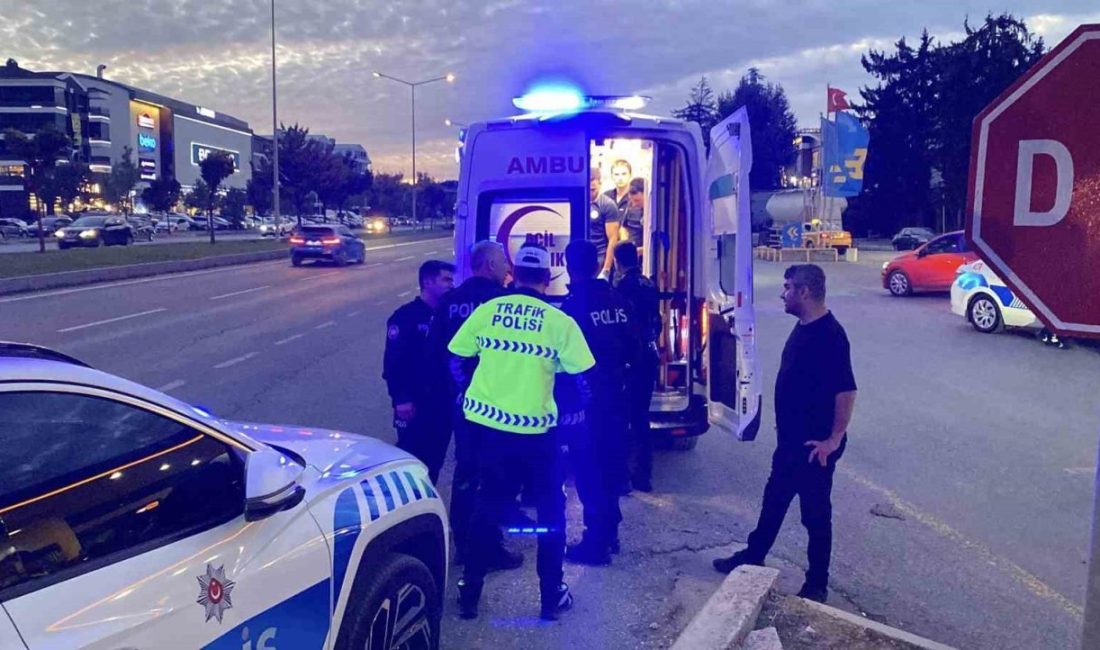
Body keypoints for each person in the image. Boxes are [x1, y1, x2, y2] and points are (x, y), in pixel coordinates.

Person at [449, 243, 596, 621]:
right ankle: (551, 597)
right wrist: (574, 416)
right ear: (547, 279)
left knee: (487, 509)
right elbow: (583, 383)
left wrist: (468, 395)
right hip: (537, 437)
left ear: (513, 275)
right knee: (551, 514)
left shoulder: (488, 311)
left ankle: (470, 592)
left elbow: (456, 358)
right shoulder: (558, 322)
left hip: (489, 433)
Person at [712, 264, 857, 604]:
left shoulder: (830, 336)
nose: (782, 293)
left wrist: (833, 440)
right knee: (774, 500)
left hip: (813, 447)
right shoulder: (805, 327)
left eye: (788, 287)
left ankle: (817, 583)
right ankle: (754, 553)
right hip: (792, 442)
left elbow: (847, 391)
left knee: (815, 514)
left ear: (804, 292)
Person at [425, 240, 521, 571]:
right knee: (496, 474)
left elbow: (435, 353)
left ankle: (463, 544)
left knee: (466, 472)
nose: (508, 268)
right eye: (504, 262)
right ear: (490, 265)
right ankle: (489, 547)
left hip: (462, 404)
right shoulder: (504, 302)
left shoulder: (450, 301)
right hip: (500, 405)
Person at [560, 240, 640, 565]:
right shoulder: (619, 300)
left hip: (587, 403)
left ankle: (596, 544)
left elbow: (563, 364)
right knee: (610, 467)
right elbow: (638, 350)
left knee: (590, 473)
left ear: (568, 267)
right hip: (616, 398)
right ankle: (612, 533)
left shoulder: (571, 308)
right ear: (595, 266)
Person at [382, 259, 455, 483]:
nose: (451, 285)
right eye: (446, 279)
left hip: (442, 402)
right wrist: (401, 398)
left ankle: (424, 503)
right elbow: (394, 363)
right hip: (414, 403)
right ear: (427, 282)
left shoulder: (449, 316)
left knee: (434, 460)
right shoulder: (406, 317)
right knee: (411, 458)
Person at [614, 241, 661, 492]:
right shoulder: (649, 283)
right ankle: (644, 476)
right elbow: (657, 321)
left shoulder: (622, 287)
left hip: (631, 358)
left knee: (622, 418)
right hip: (650, 354)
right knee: (641, 417)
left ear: (618, 262)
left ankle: (622, 477)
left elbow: (623, 326)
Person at [590, 167, 621, 279]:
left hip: (599, 257)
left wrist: (606, 269)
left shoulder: (608, 205)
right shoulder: (579, 202)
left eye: (593, 190)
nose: (590, 193)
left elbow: (613, 239)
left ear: (600, 184)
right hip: (582, 257)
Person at [621, 177, 646, 255]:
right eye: (631, 200)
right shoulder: (630, 206)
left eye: (637, 200)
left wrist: (643, 250)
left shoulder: (655, 213)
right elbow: (623, 227)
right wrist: (625, 243)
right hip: (631, 253)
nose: (634, 204)